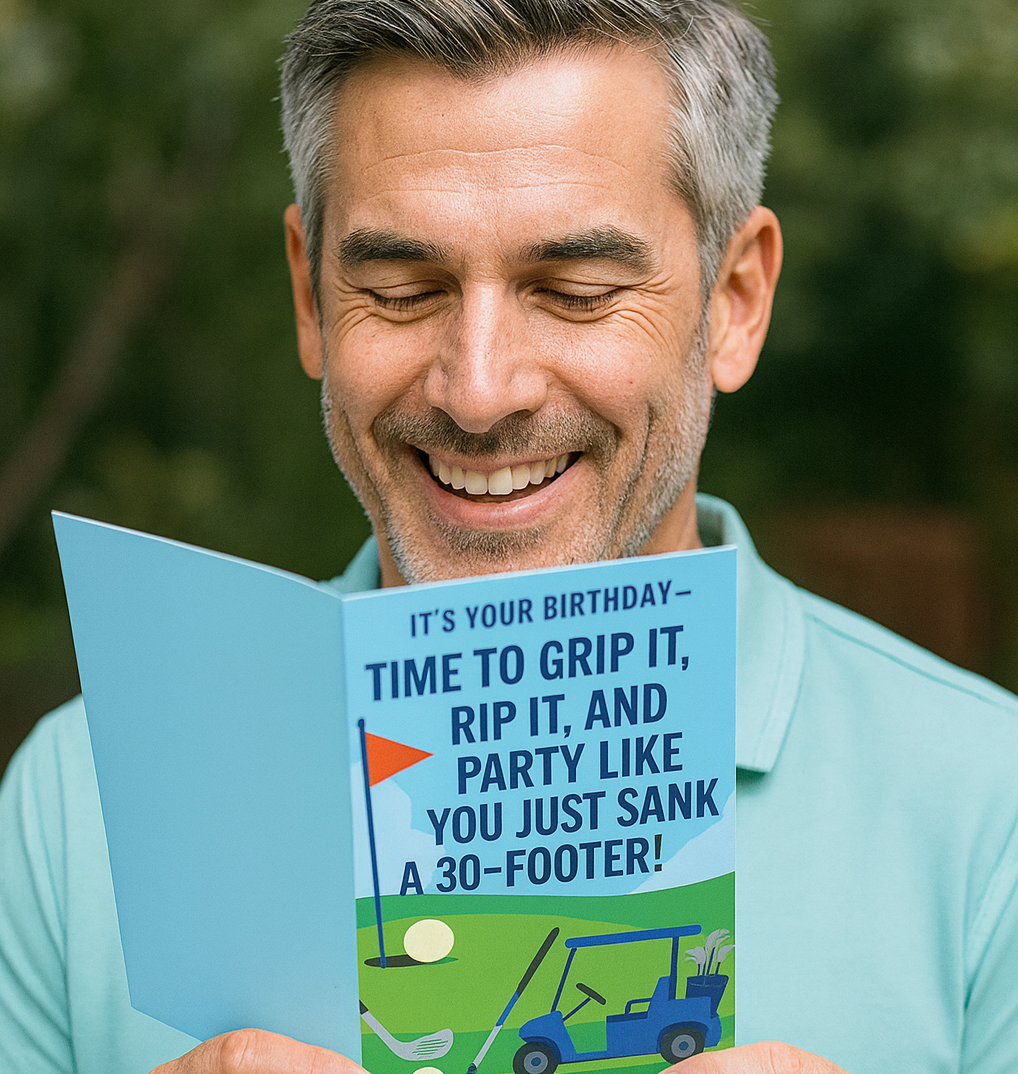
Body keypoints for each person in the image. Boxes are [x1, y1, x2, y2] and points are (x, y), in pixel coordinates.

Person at [1, 0, 1016, 1072]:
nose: (479, 391)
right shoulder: (83, 800)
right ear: (309, 293)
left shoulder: (991, 807)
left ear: (734, 299)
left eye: (574, 292)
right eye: (399, 290)